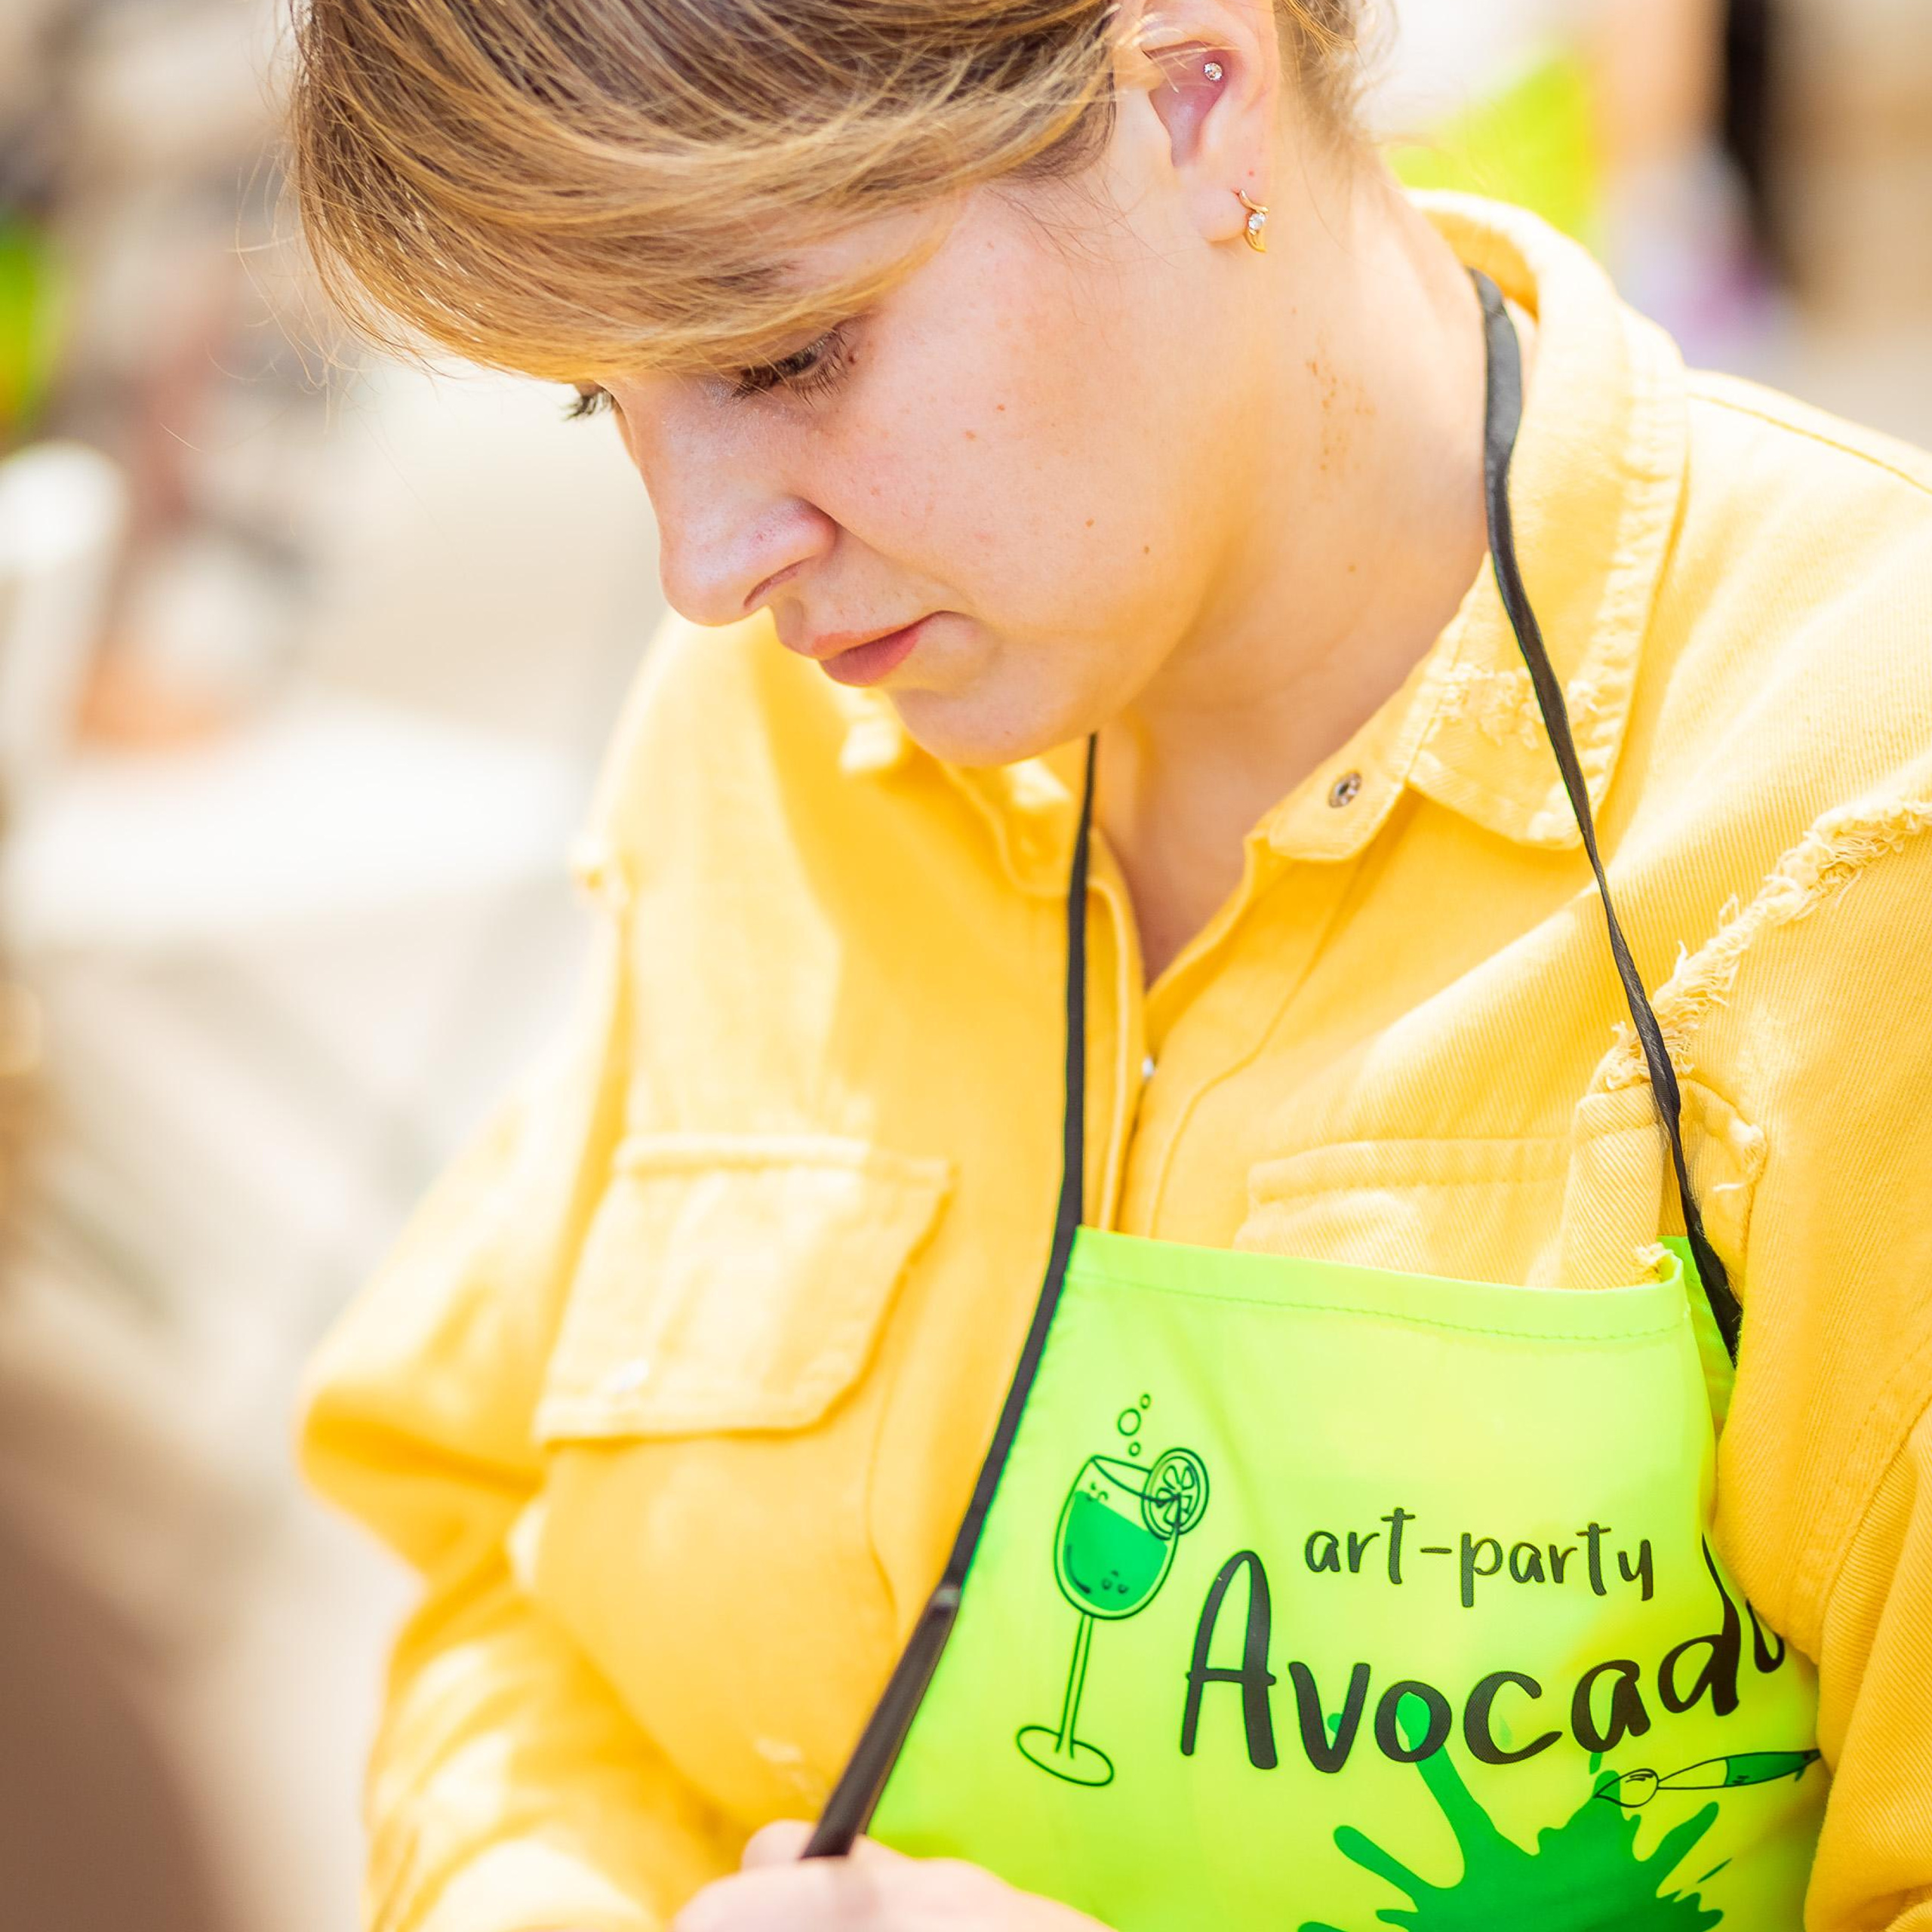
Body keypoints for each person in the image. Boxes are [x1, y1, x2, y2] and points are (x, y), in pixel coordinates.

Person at [284, 2, 1932, 1929]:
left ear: (1190, 98)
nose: (704, 564)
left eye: (781, 353)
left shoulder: (1854, 801)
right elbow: (514, 1576)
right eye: (601, 400)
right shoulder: (767, 720)